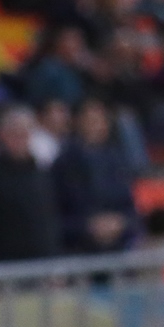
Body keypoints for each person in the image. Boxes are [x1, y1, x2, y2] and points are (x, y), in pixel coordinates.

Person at [51, 97, 140, 254]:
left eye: (102, 120)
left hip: (120, 246)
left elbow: (130, 206)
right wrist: (87, 226)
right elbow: (55, 215)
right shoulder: (63, 164)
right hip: (78, 249)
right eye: (92, 121)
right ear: (77, 122)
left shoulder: (117, 160)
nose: (98, 126)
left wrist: (120, 222)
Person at [0, 105, 62, 263]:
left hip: (42, 261)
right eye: (14, 134)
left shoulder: (41, 173)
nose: (20, 139)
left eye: (25, 133)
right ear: (1, 135)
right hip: (4, 263)